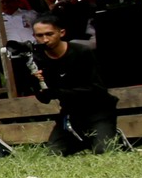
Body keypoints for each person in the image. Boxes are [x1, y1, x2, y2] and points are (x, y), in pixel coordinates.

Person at [28, 13, 118, 154]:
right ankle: (83, 141)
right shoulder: (38, 59)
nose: (45, 39)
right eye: (39, 36)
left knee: (103, 150)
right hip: (70, 114)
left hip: (98, 110)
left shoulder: (81, 52)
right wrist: (36, 82)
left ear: (61, 32)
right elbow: (44, 98)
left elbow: (97, 88)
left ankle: (104, 136)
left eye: (49, 34)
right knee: (54, 153)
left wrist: (59, 92)